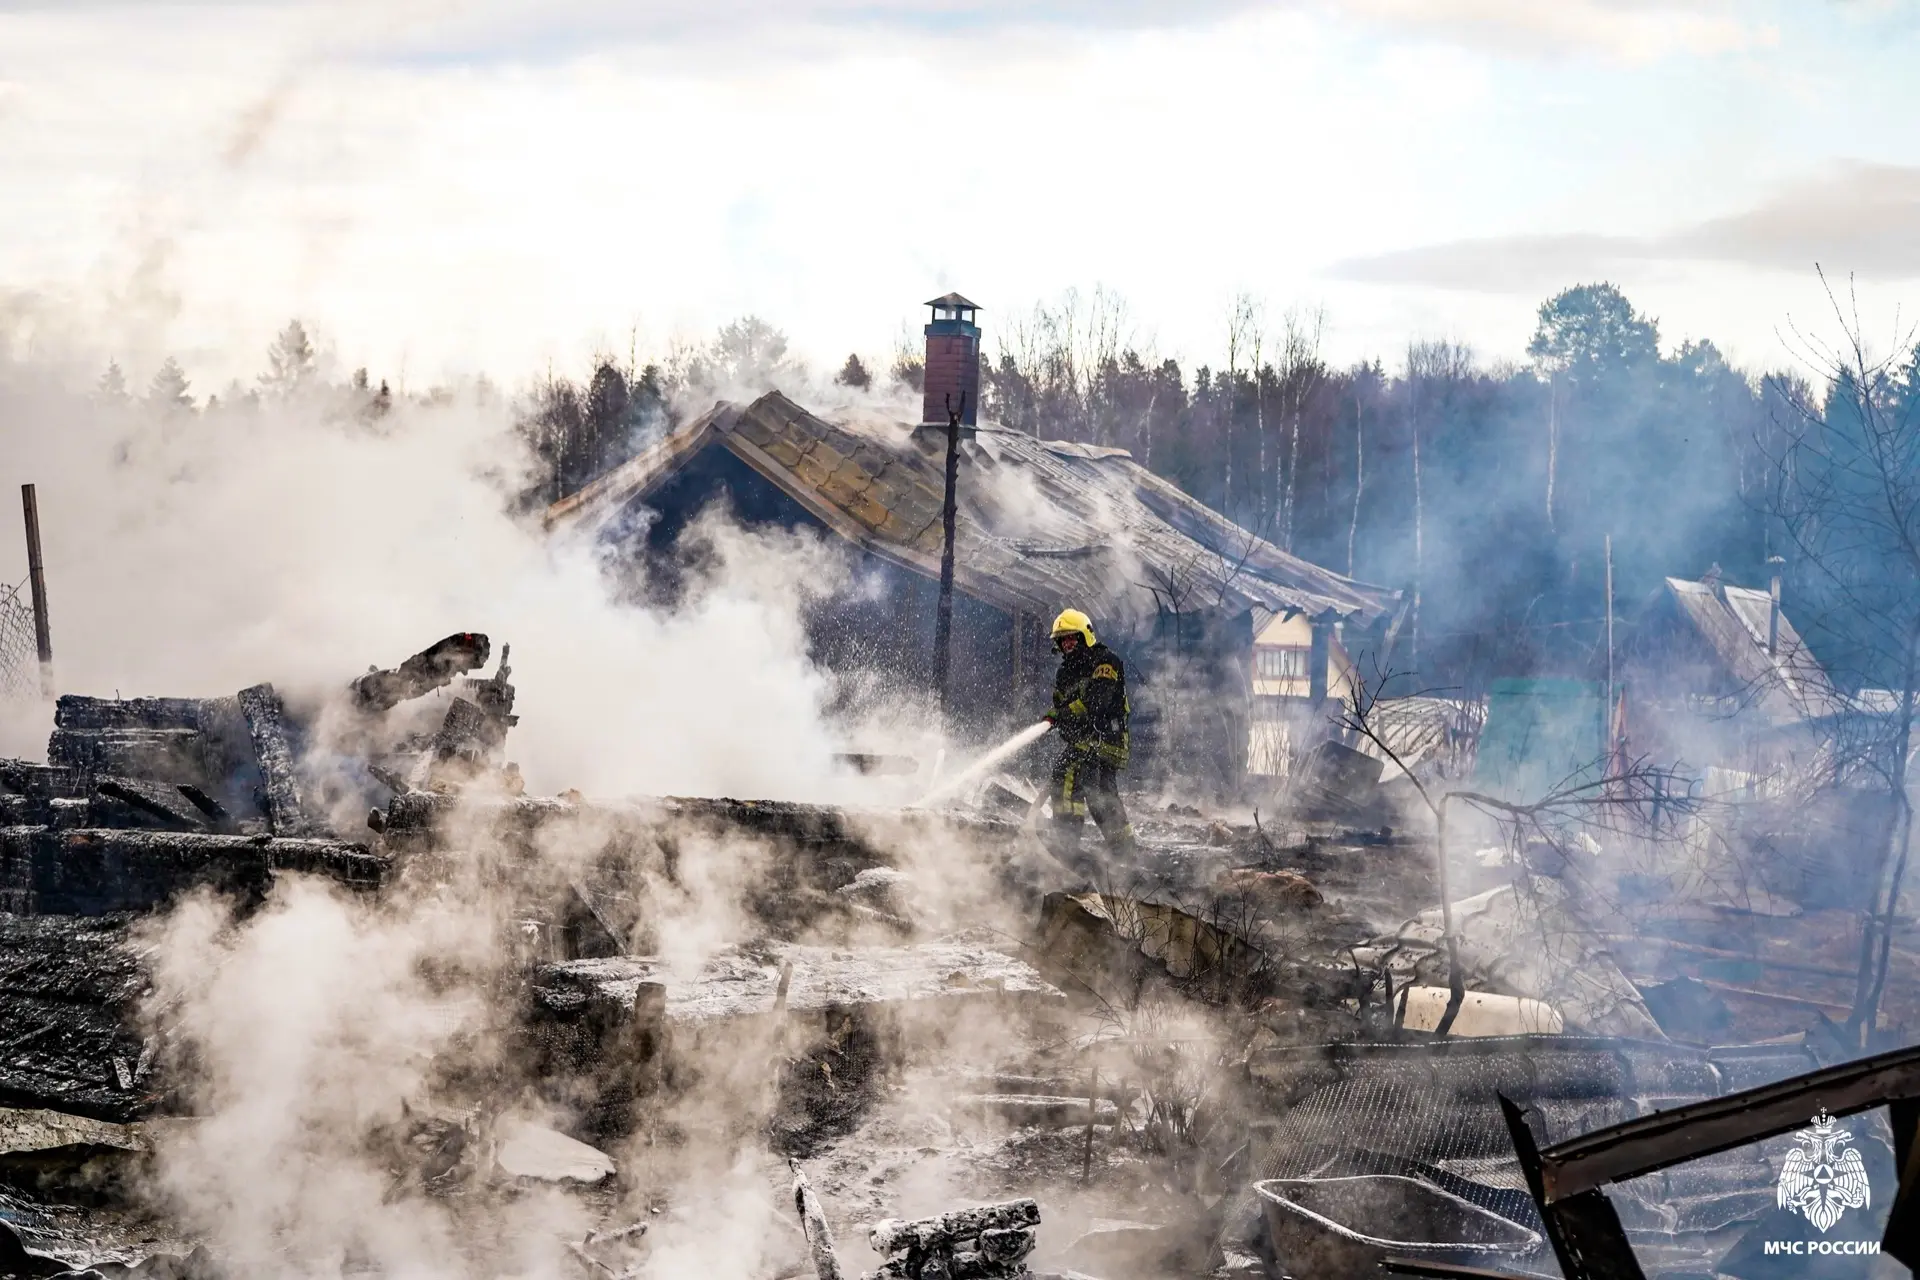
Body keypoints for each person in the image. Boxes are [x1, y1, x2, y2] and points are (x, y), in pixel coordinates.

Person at [1042, 608, 1135, 864]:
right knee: (1100, 797)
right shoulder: (1064, 674)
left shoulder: (1105, 661)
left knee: (1066, 770)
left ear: (1085, 636)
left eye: (1072, 638)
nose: (1067, 644)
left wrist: (1061, 715)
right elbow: (1063, 709)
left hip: (1108, 738)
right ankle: (1125, 853)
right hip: (1086, 741)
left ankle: (1065, 840)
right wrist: (1058, 718)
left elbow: (1097, 702)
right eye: (1062, 640)